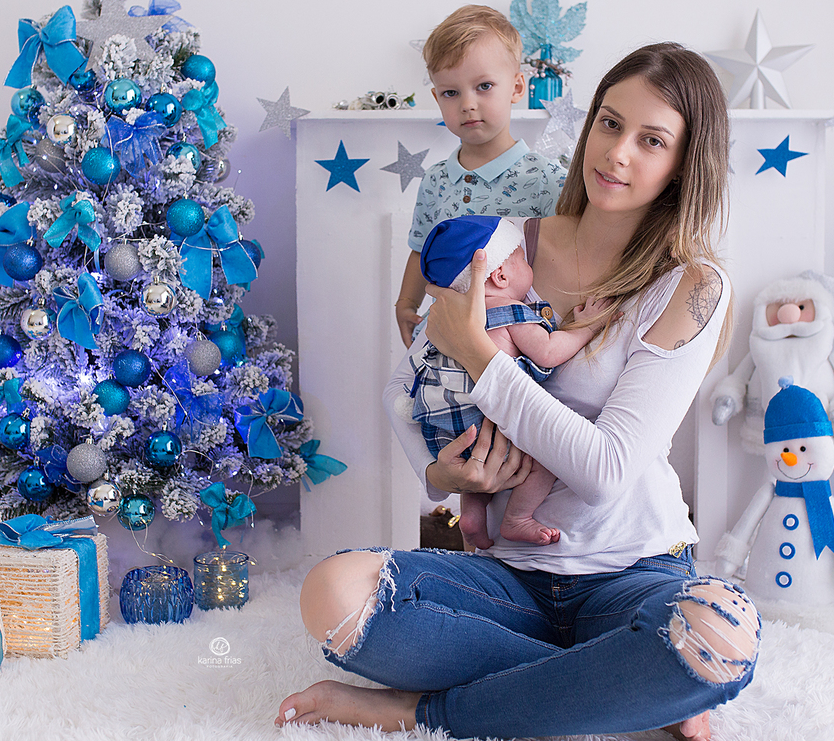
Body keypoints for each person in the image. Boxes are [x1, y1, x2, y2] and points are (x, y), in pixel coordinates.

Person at [278, 42, 760, 741]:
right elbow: (409, 379)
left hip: (636, 571)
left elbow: (605, 471)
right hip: (509, 578)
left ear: (686, 163)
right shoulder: (504, 244)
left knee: (719, 631)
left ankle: (424, 712)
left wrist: (481, 354)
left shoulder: (691, 284)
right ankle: (617, 684)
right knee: (333, 593)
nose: (617, 153)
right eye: (609, 123)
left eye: (651, 140)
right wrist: (440, 474)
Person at [408, 214, 614, 549]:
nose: (528, 263)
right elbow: (547, 352)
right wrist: (587, 327)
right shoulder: (511, 311)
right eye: (521, 258)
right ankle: (517, 518)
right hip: (483, 418)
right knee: (548, 459)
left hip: (441, 428)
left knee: (473, 469)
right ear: (501, 275)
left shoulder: (449, 319)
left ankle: (472, 518)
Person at [395, 5, 566, 348]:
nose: (467, 104)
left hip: (519, 337)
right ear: (437, 98)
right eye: (451, 92)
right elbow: (421, 250)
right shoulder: (436, 180)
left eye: (484, 86)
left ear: (517, 86)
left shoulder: (548, 179)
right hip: (443, 334)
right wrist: (406, 304)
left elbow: (566, 260)